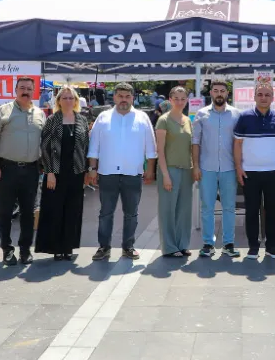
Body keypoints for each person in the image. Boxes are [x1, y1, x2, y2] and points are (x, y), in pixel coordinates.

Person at [88, 82, 157, 261]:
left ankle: (128, 246)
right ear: (115, 97)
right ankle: (104, 247)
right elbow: (94, 146)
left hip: (132, 173)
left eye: (127, 96)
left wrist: (150, 170)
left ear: (132, 98)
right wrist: (92, 169)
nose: (123, 100)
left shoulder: (142, 117)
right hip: (107, 173)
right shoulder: (103, 117)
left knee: (131, 213)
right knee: (106, 212)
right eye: (120, 96)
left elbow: (151, 147)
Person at [0, 77, 46, 266]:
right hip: (7, 169)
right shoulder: (3, 111)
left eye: (29, 88)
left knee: (28, 213)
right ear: (15, 90)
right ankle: (7, 249)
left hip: (31, 170)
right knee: (5, 212)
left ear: (34, 91)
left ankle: (25, 250)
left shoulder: (40, 114)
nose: (25, 91)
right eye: (22, 88)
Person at [234, 83, 275, 259]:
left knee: (272, 211)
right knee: (251, 211)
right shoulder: (244, 117)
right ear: (254, 97)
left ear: (273, 98)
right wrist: (238, 167)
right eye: (260, 94)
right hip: (250, 173)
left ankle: (271, 246)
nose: (263, 97)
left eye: (267, 95)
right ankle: (253, 246)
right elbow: (237, 144)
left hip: (274, 172)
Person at [36, 86, 89, 261]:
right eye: (64, 98)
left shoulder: (82, 120)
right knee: (55, 209)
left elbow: (86, 147)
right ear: (58, 101)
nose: (68, 101)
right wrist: (49, 172)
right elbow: (44, 148)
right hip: (56, 172)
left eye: (71, 98)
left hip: (76, 172)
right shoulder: (52, 120)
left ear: (75, 101)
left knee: (73, 210)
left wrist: (86, 170)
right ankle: (55, 247)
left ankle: (68, 247)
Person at [192, 81, 240, 258]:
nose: (219, 93)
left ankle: (228, 243)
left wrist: (239, 166)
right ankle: (208, 243)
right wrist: (196, 166)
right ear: (211, 93)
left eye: (222, 91)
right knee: (207, 207)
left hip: (229, 168)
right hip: (207, 168)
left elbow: (240, 142)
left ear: (227, 93)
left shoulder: (236, 114)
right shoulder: (201, 114)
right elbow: (195, 142)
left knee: (229, 207)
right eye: (216, 91)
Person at [154, 86, 195, 257]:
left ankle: (183, 244)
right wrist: (165, 175)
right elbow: (160, 150)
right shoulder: (163, 120)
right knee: (168, 209)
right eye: (176, 98)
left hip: (187, 170)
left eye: (183, 98)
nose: (179, 102)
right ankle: (170, 247)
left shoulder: (188, 120)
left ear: (187, 100)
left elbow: (191, 147)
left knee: (184, 210)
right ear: (170, 100)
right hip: (169, 169)